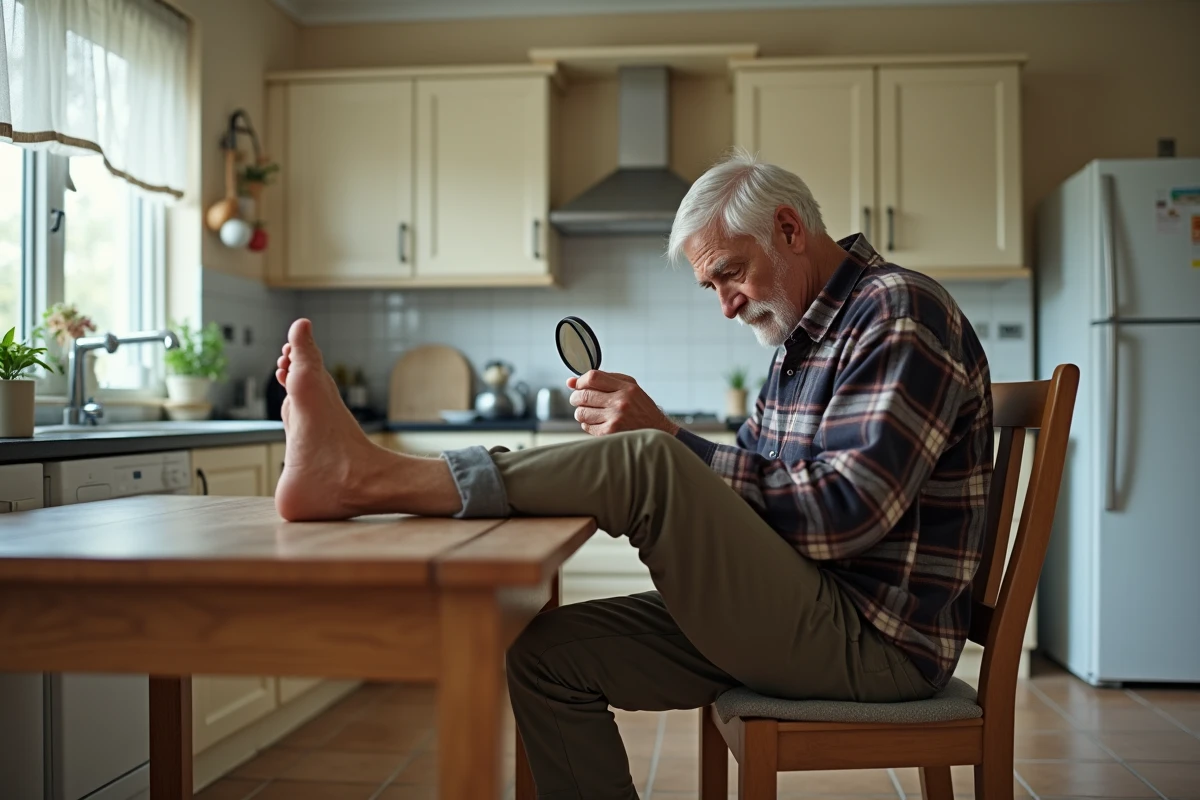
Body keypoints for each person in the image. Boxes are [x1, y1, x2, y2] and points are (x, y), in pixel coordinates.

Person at [273, 149, 993, 799]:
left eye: (730, 274)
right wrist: (669, 457)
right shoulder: (802, 341)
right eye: (710, 286)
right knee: (546, 658)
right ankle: (360, 473)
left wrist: (667, 442)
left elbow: (845, 513)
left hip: (874, 641)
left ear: (788, 228)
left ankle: (365, 477)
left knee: (651, 458)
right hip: (802, 609)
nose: (725, 305)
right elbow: (751, 486)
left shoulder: (896, 310)